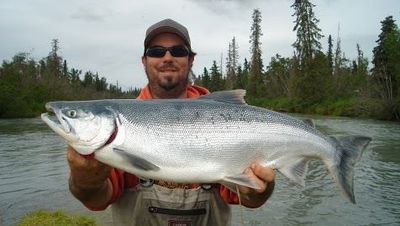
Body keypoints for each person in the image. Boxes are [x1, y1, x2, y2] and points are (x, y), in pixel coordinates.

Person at [67, 18, 276, 226]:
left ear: (190, 59)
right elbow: (98, 198)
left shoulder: (220, 117)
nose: (167, 57)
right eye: (157, 52)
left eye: (178, 51)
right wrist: (85, 180)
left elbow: (247, 197)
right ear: (144, 61)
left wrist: (259, 190)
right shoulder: (123, 126)